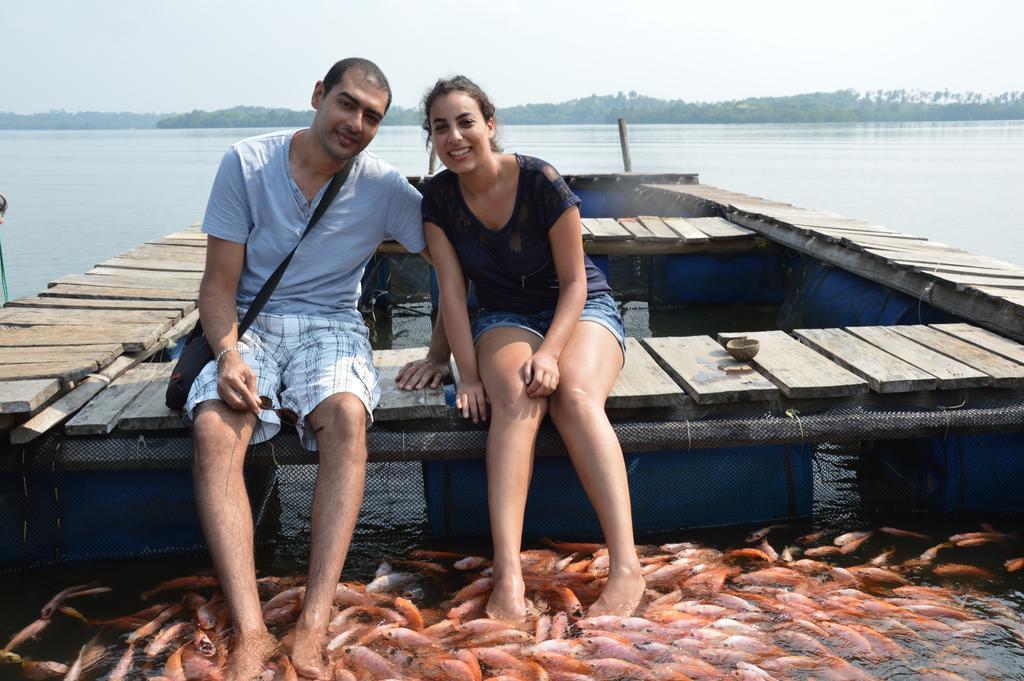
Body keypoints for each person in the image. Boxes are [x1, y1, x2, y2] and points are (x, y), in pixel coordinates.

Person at [188, 58, 448, 680]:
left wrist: (443, 353)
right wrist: (228, 355)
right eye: (347, 104)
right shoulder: (246, 163)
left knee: (348, 419)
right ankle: (251, 629)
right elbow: (217, 287)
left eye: (371, 117)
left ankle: (313, 619)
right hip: (249, 325)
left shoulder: (384, 187)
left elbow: (454, 258)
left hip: (332, 326)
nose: (355, 123)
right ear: (317, 96)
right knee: (215, 427)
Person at [415, 75, 646, 621]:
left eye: (466, 121)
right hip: (503, 315)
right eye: (440, 127)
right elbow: (452, 292)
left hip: (580, 306)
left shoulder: (541, 180)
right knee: (516, 402)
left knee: (575, 396)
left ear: (489, 125)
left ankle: (627, 566)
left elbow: (575, 283)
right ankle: (509, 576)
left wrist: (550, 353)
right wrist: (462, 373)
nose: (455, 137)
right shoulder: (439, 199)